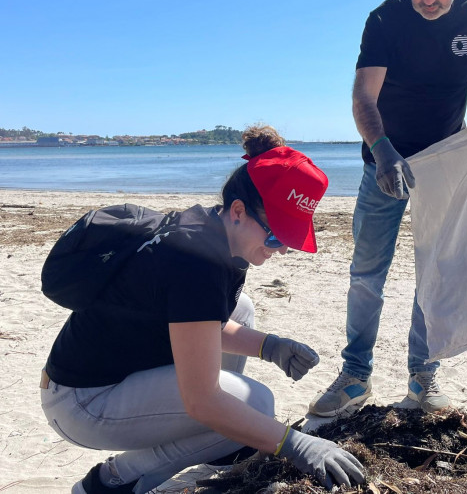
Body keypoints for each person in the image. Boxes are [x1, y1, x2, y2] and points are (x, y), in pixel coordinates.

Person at [40, 125, 365, 494]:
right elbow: (202, 400)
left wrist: (269, 346)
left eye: (291, 237)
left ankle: (222, 442)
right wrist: (295, 443)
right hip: (84, 403)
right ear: (239, 211)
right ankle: (112, 481)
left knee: (240, 309)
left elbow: (197, 324)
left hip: (101, 378)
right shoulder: (197, 265)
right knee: (257, 404)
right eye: (276, 235)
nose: (282, 250)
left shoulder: (211, 229)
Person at [308, 0, 467, 417]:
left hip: (444, 165)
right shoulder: (386, 19)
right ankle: (355, 375)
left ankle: (423, 376)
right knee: (367, 274)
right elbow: (363, 97)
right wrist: (382, 151)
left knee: (433, 274)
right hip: (383, 163)